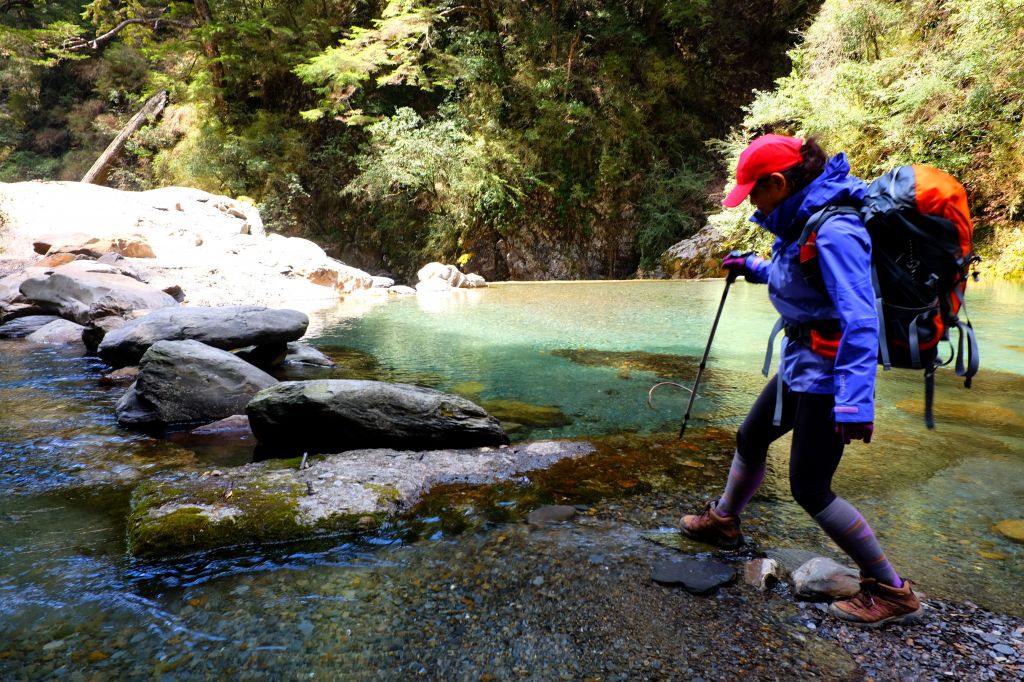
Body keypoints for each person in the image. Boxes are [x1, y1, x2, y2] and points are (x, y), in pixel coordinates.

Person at [679, 134, 923, 628]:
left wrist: (855, 403)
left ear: (778, 182)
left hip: (830, 376)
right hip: (802, 363)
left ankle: (892, 591)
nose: (749, 202)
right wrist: (754, 268)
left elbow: (860, 320)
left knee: (810, 487)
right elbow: (803, 282)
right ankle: (725, 521)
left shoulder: (835, 229)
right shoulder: (800, 221)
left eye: (753, 192)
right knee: (751, 436)